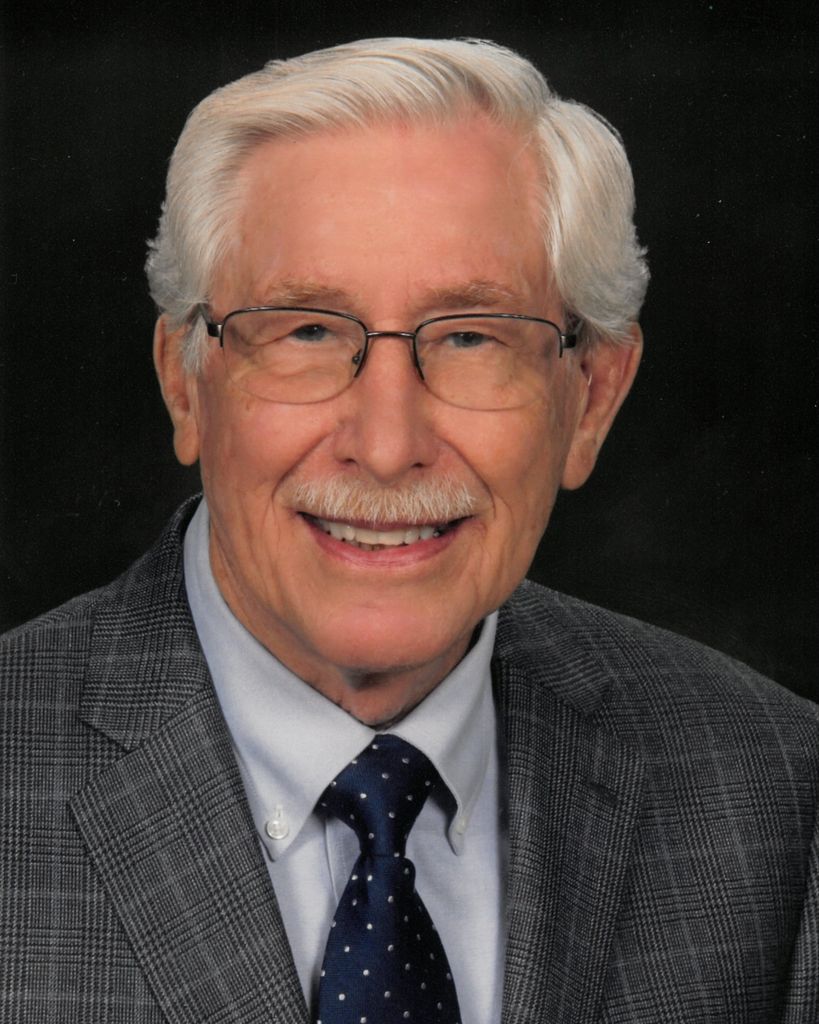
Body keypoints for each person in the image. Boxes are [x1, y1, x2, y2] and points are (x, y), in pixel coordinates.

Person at [1, 36, 816, 1024]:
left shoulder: (776, 788)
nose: (387, 447)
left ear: (592, 398)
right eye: (306, 330)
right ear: (186, 382)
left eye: (472, 336)